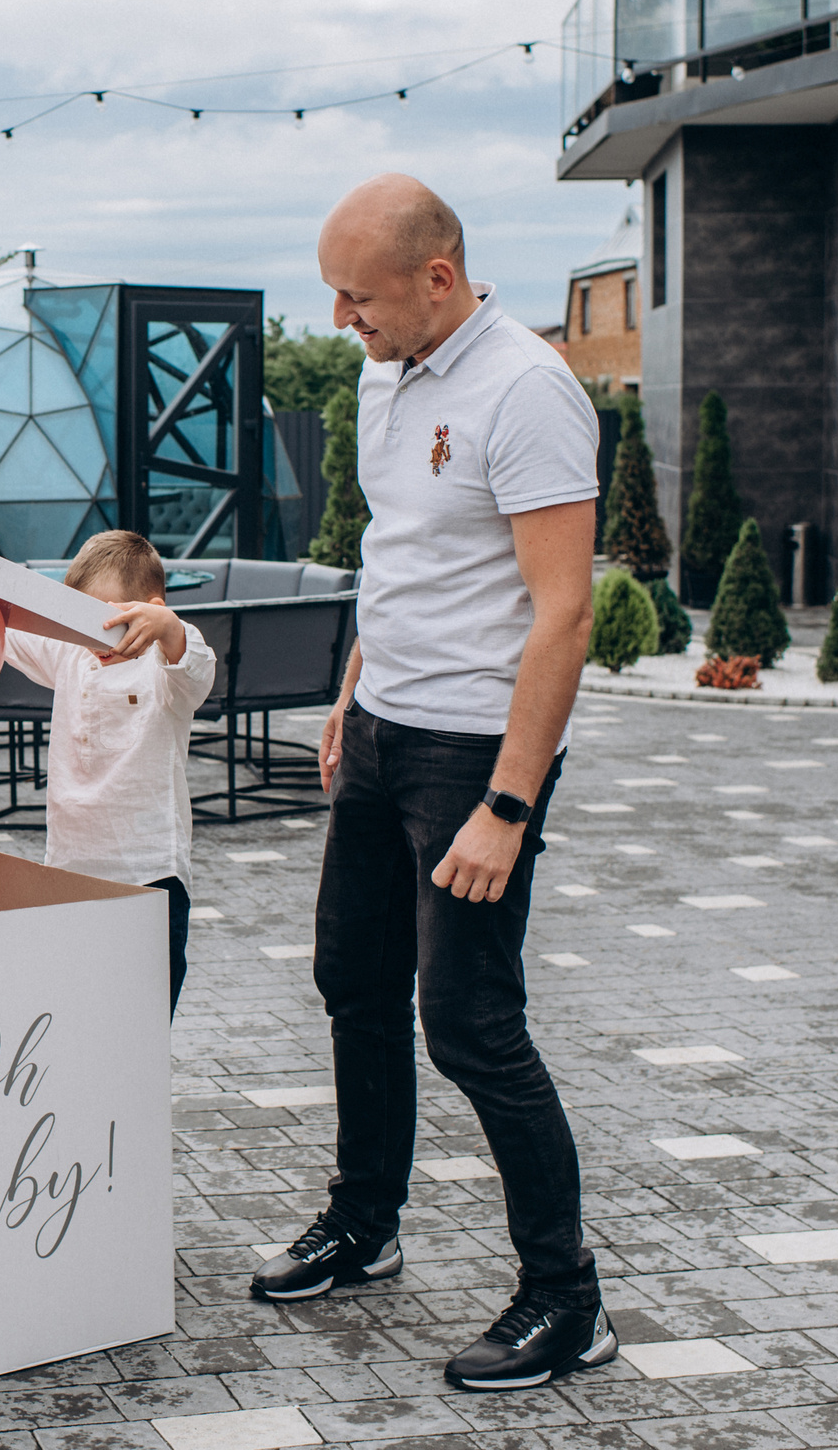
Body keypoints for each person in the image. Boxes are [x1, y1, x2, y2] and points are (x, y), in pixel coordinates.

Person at [246, 176, 612, 1392]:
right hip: (386, 728)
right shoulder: (380, 371)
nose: (343, 317)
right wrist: (352, 691)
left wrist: (507, 806)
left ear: (437, 279)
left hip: (472, 754)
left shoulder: (528, 392)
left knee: (469, 1021)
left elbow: (564, 614)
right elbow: (396, 554)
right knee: (352, 980)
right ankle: (365, 1225)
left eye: (359, 296)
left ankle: (567, 1302)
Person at [2, 530, 215, 1012]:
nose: (89, 636)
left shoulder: (165, 667)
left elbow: (196, 666)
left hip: (151, 875)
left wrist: (168, 625)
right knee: (76, 1018)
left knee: (141, 1023)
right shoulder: (70, 655)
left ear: (150, 610)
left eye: (106, 623)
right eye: (77, 622)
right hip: (70, 870)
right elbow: (0, 625)